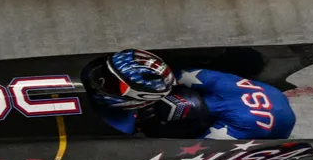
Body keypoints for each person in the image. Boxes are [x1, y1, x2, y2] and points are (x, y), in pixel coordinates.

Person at [82, 49, 296, 140]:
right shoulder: (218, 82)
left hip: (276, 126)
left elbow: (202, 150)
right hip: (264, 94)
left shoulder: (237, 125)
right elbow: (173, 76)